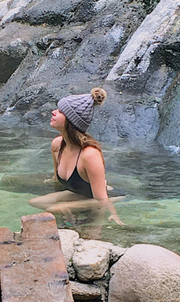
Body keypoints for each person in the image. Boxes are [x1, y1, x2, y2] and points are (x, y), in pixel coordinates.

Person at [29, 87, 124, 225]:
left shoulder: (89, 154)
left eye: (60, 111)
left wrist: (113, 214)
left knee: (54, 208)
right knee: (34, 202)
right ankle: (71, 216)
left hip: (103, 197)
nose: (53, 112)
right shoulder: (57, 145)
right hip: (80, 194)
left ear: (71, 122)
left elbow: (101, 200)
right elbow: (57, 181)